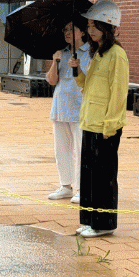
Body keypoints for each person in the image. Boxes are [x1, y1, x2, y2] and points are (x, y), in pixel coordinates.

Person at [68, 0, 129, 238]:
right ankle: (89, 221)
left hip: (105, 126)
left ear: (108, 26)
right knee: (89, 175)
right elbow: (88, 86)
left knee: (104, 177)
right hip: (90, 122)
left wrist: (110, 126)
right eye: (89, 25)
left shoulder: (117, 55)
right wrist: (76, 69)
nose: (90, 30)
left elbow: (118, 93)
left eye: (95, 25)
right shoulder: (99, 53)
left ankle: (104, 224)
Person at [45, 14, 91, 204]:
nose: (67, 33)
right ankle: (65, 186)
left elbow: (89, 79)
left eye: (72, 29)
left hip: (79, 106)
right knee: (61, 150)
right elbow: (51, 81)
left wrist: (77, 66)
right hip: (60, 107)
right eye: (65, 29)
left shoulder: (90, 52)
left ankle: (82, 188)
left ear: (82, 32)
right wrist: (55, 62)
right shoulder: (61, 53)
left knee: (81, 150)